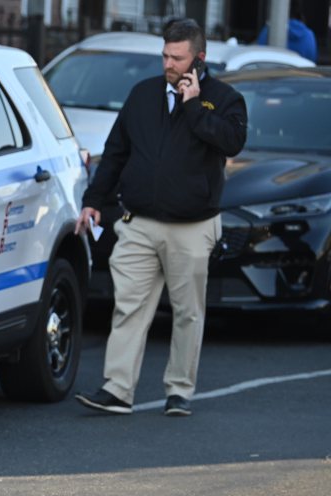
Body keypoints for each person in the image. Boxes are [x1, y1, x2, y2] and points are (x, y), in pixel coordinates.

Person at [75, 18, 247, 418]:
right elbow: (116, 151)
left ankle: (179, 390)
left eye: (178, 57)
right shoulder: (142, 95)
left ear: (199, 59)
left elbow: (232, 141)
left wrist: (193, 106)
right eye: (165, 56)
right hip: (140, 223)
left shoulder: (223, 99)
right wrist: (94, 199)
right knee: (129, 307)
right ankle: (118, 389)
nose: (169, 64)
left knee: (187, 313)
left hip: (192, 228)